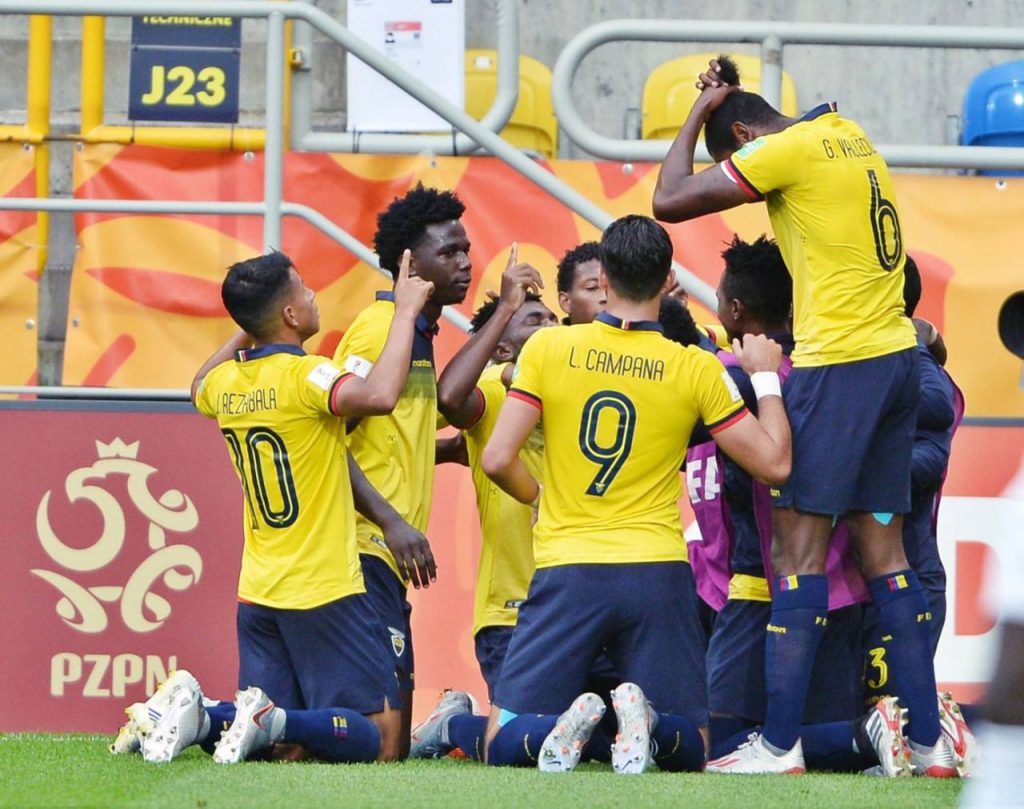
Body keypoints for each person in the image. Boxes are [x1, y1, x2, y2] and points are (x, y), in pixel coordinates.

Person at [652, 55, 959, 776]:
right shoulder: (851, 136)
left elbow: (669, 198)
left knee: (795, 551)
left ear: (742, 141)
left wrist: (700, 108)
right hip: (894, 362)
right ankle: (928, 743)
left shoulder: (782, 150)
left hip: (840, 365)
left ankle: (779, 744)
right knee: (885, 554)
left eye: (733, 162)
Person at [479, 214, 791, 775]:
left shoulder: (548, 348)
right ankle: (641, 722)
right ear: (668, 278)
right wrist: (766, 378)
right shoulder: (694, 367)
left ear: (604, 278)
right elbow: (775, 465)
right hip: (656, 571)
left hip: (569, 566)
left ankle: (574, 728)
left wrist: (541, 497)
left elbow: (497, 458)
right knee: (692, 746)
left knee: (500, 742)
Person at [111, 250, 435, 764]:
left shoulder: (226, 385)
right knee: (374, 738)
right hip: (324, 586)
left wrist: (250, 327)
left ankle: (197, 715)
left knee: (279, 749)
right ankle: (240, 714)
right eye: (303, 290)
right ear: (288, 314)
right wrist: (405, 311)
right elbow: (378, 397)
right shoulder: (307, 377)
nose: (312, 296)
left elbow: (197, 385)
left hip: (258, 591)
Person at [333, 185, 472, 756]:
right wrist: (391, 522)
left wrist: (446, 450)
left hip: (388, 556)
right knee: (383, 747)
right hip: (363, 548)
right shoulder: (378, 328)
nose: (465, 263)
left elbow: (387, 437)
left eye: (466, 249)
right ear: (410, 263)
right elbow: (324, 441)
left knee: (395, 747)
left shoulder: (417, 330)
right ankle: (218, 718)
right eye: (449, 252)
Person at [409, 247, 553, 761]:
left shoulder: (573, 381)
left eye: (553, 319)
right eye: (533, 320)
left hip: (576, 598)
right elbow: (449, 398)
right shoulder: (494, 385)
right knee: (521, 747)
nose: (550, 327)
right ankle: (456, 726)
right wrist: (506, 308)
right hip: (511, 609)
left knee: (580, 738)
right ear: (502, 347)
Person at [555, 241, 606, 326]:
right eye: (592, 287)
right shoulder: (546, 335)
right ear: (566, 301)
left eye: (614, 288)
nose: (605, 297)